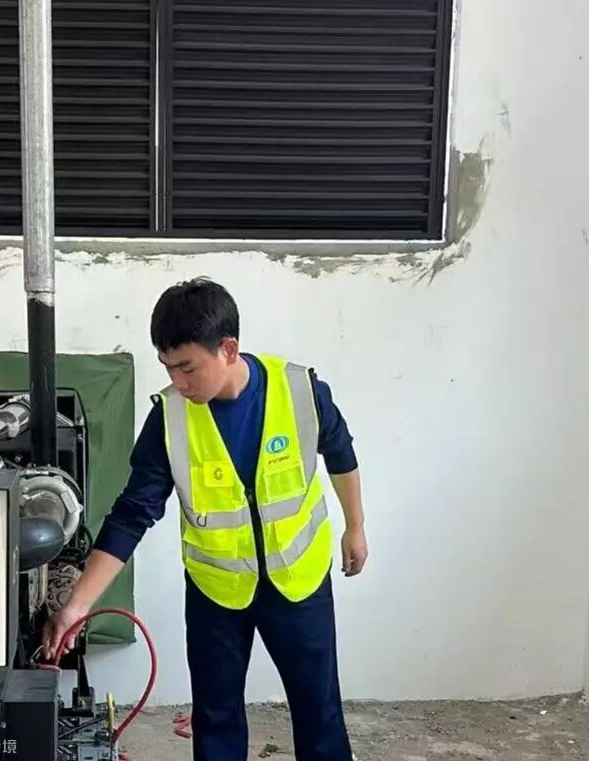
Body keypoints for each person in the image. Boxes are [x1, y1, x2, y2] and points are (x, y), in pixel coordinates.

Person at [41, 277, 368, 761]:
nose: (178, 382)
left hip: (299, 583)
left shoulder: (301, 391)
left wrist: (355, 527)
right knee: (215, 719)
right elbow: (132, 514)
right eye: (168, 368)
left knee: (319, 712)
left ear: (228, 349)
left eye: (187, 367)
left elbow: (340, 452)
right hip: (217, 592)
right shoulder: (169, 419)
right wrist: (77, 605)